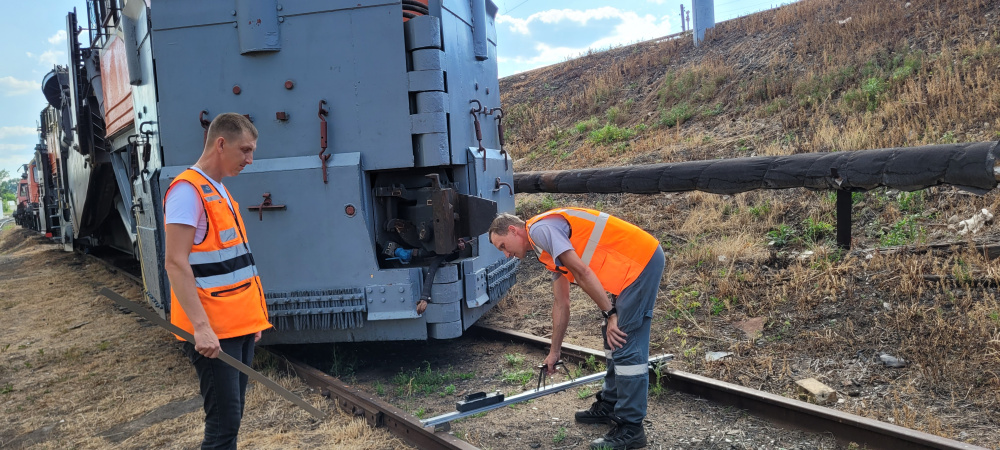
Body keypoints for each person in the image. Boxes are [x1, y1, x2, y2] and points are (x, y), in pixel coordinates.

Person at [489, 208, 665, 450]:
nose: (506, 254)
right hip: (630, 268)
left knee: (624, 338)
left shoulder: (540, 230)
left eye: (502, 246)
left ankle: (631, 428)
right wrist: (554, 351)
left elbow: (582, 272)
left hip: (640, 262)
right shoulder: (544, 250)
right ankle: (611, 404)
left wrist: (610, 313)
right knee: (612, 336)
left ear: (512, 230)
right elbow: (562, 304)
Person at [164, 113, 271, 450]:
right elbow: (175, 263)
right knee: (223, 424)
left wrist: (252, 318)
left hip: (237, 324)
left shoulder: (219, 190)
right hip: (213, 329)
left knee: (231, 419)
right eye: (246, 150)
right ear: (221, 143)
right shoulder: (187, 191)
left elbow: (237, 262)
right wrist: (200, 328)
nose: (250, 160)